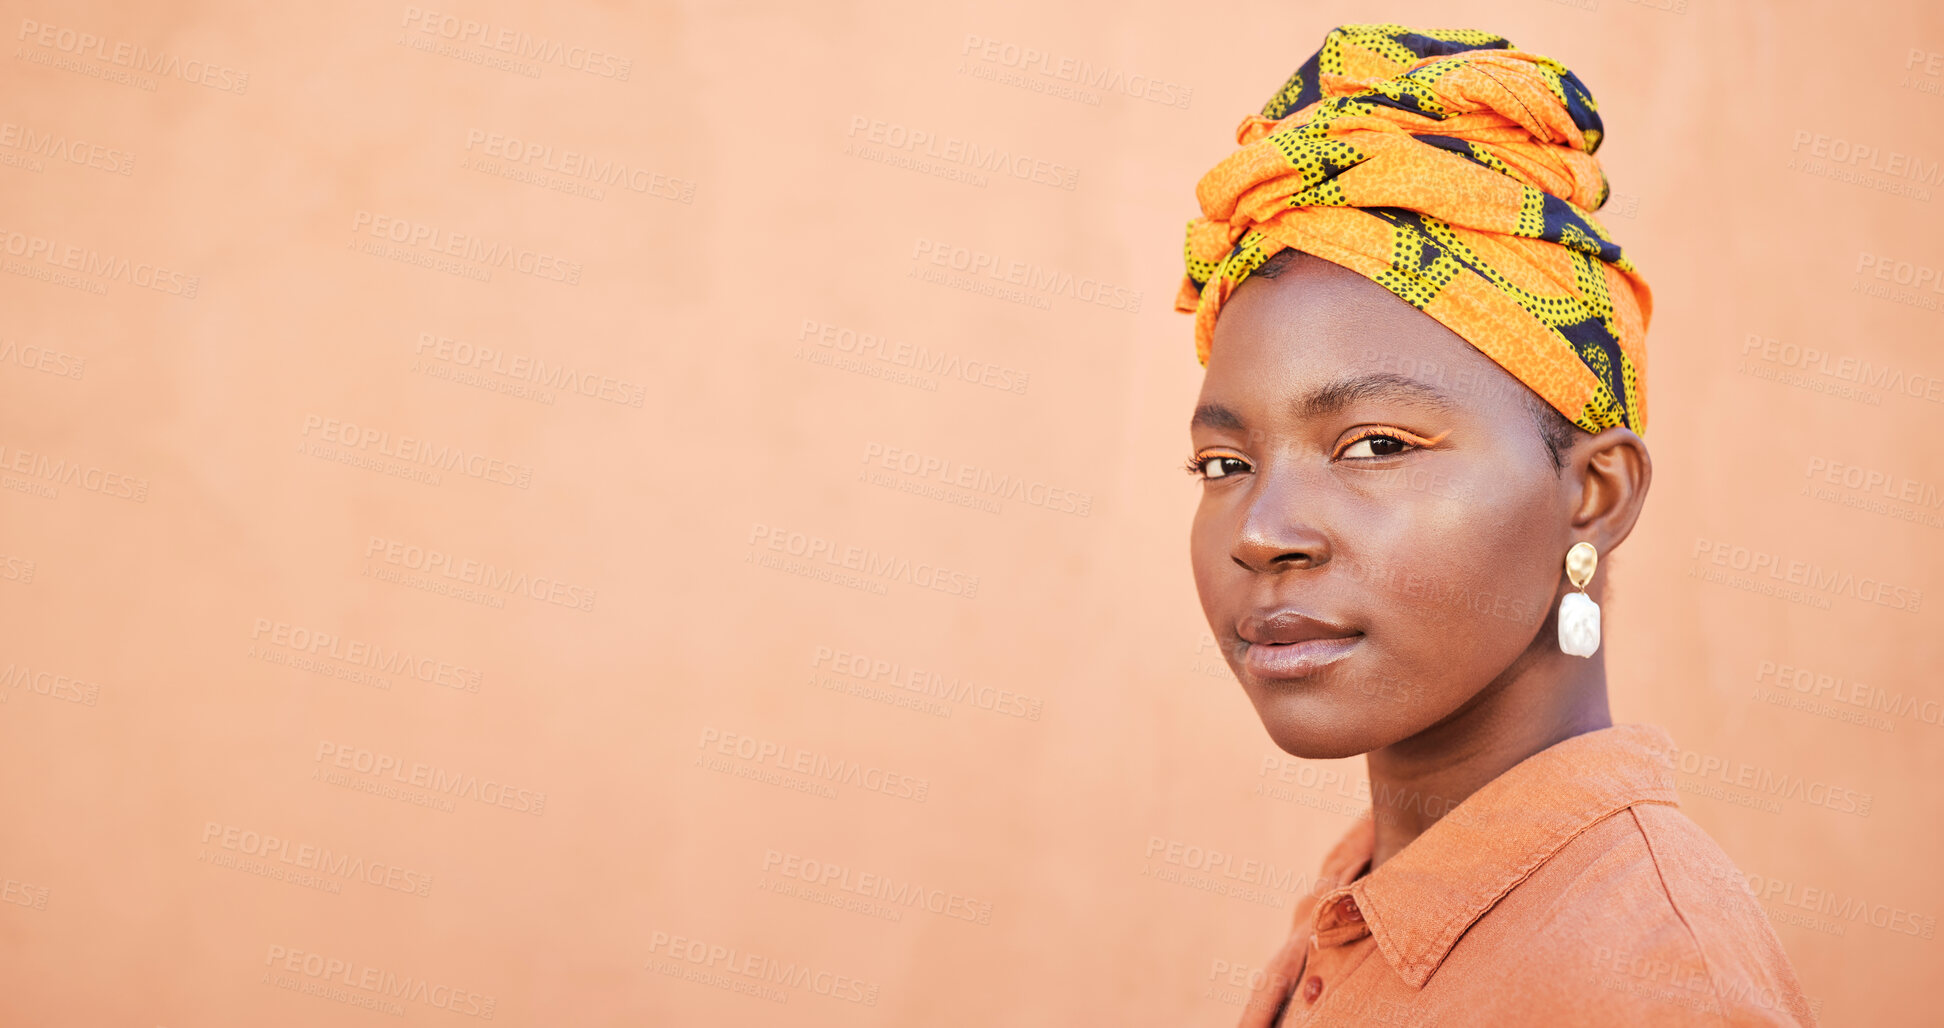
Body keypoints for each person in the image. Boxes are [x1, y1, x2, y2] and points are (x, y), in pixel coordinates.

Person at [1177, 24, 1814, 1027]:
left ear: (1594, 495)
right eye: (1225, 462)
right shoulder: (1377, 894)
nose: (1262, 531)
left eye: (1377, 445)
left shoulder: (1653, 986)